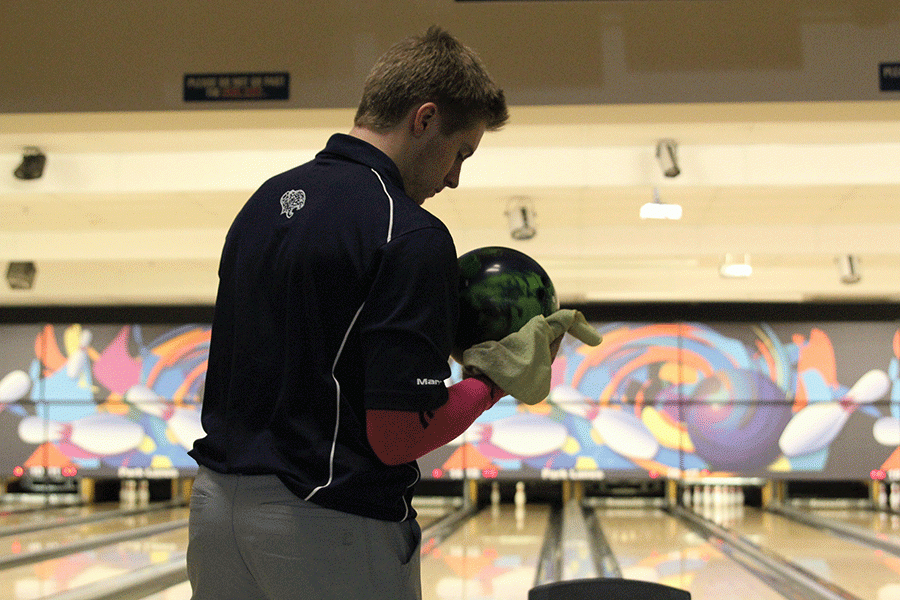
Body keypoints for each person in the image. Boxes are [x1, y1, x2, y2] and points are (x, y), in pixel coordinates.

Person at [186, 26, 595, 600]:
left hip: (215, 516)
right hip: (327, 526)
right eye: (461, 153)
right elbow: (399, 434)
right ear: (424, 119)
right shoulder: (409, 232)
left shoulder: (264, 203)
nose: (454, 177)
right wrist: (497, 377)